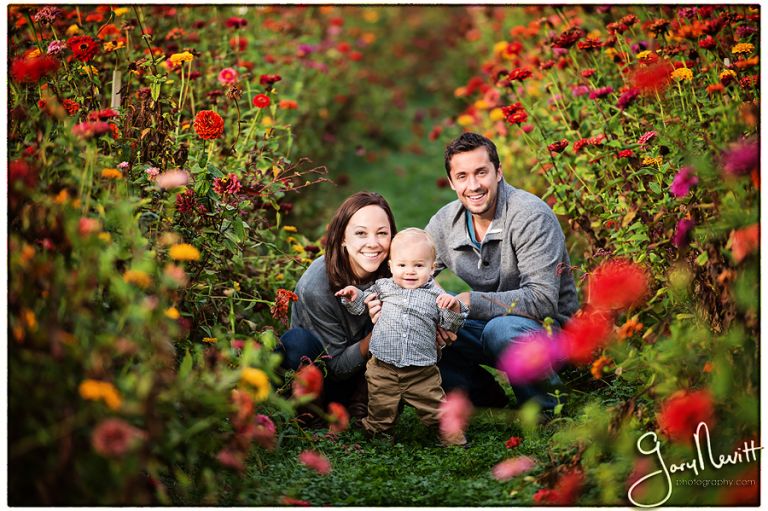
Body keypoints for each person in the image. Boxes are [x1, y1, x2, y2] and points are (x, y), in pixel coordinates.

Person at [370, 132, 579, 410]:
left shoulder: (530, 216)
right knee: (423, 317)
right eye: (463, 176)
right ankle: (485, 398)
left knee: (499, 328)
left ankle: (547, 407)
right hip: (491, 328)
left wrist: (468, 301)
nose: (473, 185)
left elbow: (543, 300)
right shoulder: (446, 222)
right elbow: (410, 270)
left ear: (499, 172)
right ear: (452, 182)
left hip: (549, 335)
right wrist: (386, 305)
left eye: (481, 172)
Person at [335, 228, 467, 445]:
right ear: (391, 266)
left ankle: (451, 436)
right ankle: (378, 434)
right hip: (382, 367)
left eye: (418, 265)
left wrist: (453, 307)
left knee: (434, 406)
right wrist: (354, 296)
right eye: (402, 265)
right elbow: (362, 305)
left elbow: (451, 325)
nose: (410, 272)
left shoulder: (437, 296)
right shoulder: (383, 287)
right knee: (380, 405)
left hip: (421, 371)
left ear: (432, 268)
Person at [278, 192, 397, 419]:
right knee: (295, 341)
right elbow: (337, 368)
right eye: (361, 233)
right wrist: (380, 333)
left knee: (461, 381)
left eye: (382, 233)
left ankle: (367, 403)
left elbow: (428, 284)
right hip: (325, 375)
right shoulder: (318, 285)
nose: (373, 243)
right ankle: (309, 409)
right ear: (342, 237)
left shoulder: (396, 270)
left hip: (371, 375)